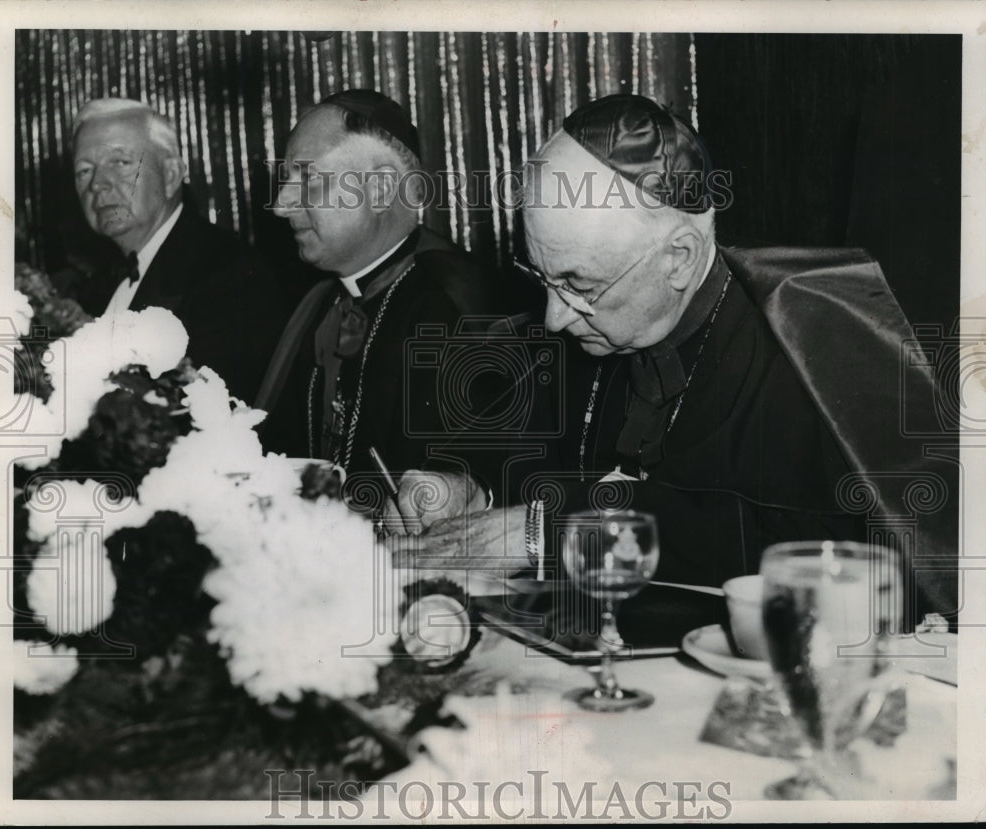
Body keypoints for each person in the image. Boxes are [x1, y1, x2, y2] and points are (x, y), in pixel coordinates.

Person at [390, 93, 956, 632]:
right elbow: (537, 468)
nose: (555, 318)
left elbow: (827, 544)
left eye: (576, 284)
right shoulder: (591, 335)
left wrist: (555, 533)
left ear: (679, 258)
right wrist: (471, 494)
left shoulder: (806, 340)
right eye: (540, 277)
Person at [256, 89, 509, 511]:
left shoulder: (458, 303)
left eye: (308, 178)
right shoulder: (315, 303)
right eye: (285, 179)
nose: (281, 205)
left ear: (381, 189)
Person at [69, 97, 289, 404]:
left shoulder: (232, 277)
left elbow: (211, 426)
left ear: (171, 174)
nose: (98, 184)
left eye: (120, 162)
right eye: (84, 171)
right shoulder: (94, 288)